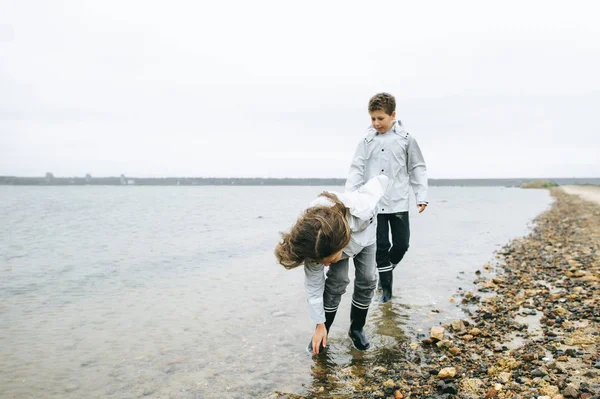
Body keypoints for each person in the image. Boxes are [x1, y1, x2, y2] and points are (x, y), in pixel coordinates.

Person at [275, 175, 388, 354]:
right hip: (331, 242)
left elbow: (379, 183)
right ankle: (323, 332)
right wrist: (319, 324)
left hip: (365, 237)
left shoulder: (362, 210)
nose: (325, 266)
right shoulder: (313, 239)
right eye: (321, 262)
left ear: (341, 244)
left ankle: (356, 329)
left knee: (367, 279)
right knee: (337, 281)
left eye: (327, 261)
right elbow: (314, 286)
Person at [346, 92, 428, 303]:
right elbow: (357, 168)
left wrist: (421, 195)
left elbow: (417, 167)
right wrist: (350, 197)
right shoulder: (366, 140)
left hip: (399, 200)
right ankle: (387, 293)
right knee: (380, 247)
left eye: (380, 118)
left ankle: (384, 272)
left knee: (401, 245)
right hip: (374, 203)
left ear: (393, 115)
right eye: (372, 118)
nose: (376, 123)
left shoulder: (406, 139)